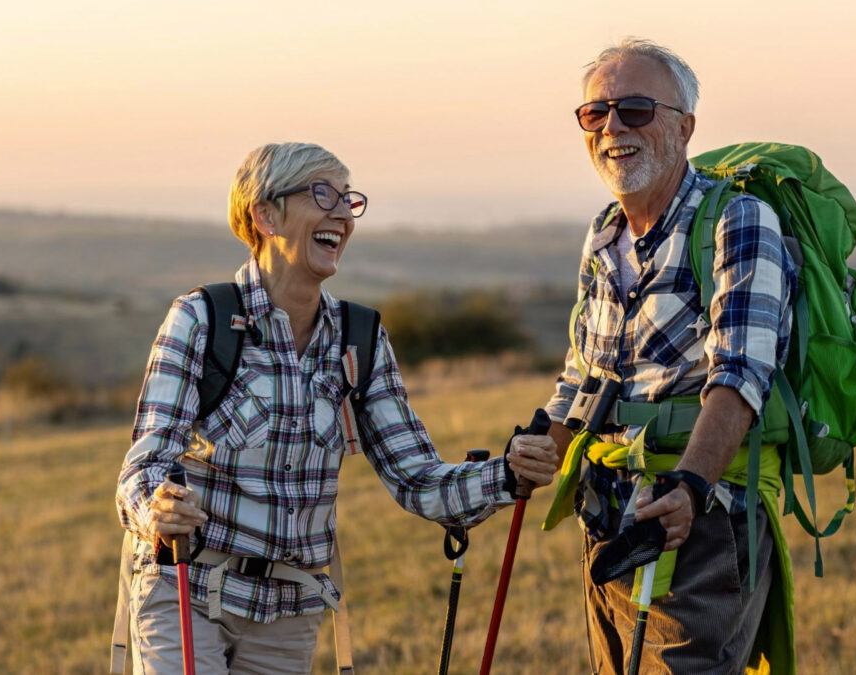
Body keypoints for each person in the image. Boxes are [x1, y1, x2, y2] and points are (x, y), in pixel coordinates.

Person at [115, 142, 559, 674]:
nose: (342, 214)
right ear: (265, 215)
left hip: (289, 612)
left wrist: (508, 476)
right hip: (185, 588)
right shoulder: (201, 319)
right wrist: (156, 507)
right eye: (322, 194)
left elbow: (417, 480)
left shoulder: (359, 338)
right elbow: (142, 469)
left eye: (349, 200)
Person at [543, 39, 798, 673]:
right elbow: (583, 375)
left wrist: (689, 486)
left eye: (634, 109)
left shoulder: (738, 220)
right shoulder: (604, 231)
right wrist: (535, 445)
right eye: (594, 114)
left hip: (702, 521)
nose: (612, 129)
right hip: (607, 520)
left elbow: (740, 377)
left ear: (685, 127)